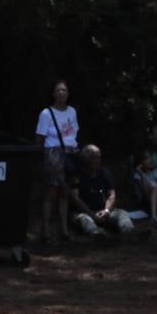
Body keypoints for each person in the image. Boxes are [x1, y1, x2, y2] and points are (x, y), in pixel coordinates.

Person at [35, 80, 78, 244]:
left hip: (70, 152)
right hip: (53, 153)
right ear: (53, 93)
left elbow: (74, 131)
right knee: (51, 192)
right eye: (58, 90)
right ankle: (45, 230)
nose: (61, 93)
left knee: (64, 193)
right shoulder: (46, 113)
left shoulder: (72, 111)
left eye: (64, 90)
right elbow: (40, 137)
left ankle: (64, 230)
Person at [69, 145, 134, 238]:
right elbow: (75, 198)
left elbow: (111, 195)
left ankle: (130, 233)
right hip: (83, 212)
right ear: (86, 160)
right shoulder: (77, 176)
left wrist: (106, 211)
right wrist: (91, 214)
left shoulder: (104, 173)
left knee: (122, 214)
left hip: (102, 211)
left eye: (99, 157)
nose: (98, 161)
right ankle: (98, 235)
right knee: (85, 219)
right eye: (94, 158)